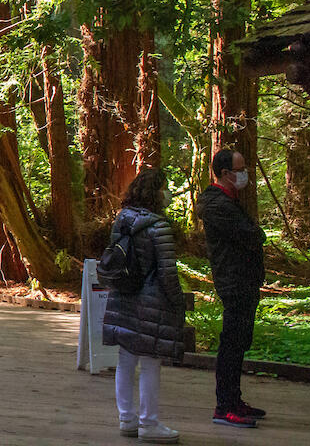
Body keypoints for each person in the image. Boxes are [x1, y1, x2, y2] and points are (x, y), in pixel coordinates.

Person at [101, 167, 185, 444]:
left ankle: (127, 418)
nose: (168, 192)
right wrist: (179, 302)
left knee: (126, 358)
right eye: (165, 187)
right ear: (155, 193)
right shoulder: (159, 227)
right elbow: (167, 273)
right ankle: (149, 423)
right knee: (150, 362)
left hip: (124, 295)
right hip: (152, 301)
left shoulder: (122, 220)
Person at [200, 149, 266, 428]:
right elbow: (250, 235)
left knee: (239, 343)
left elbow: (251, 235)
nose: (244, 173)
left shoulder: (230, 201)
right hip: (234, 281)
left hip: (244, 281)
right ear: (225, 174)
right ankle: (224, 407)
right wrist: (256, 234)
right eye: (240, 169)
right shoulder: (217, 205)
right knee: (231, 344)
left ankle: (234, 400)